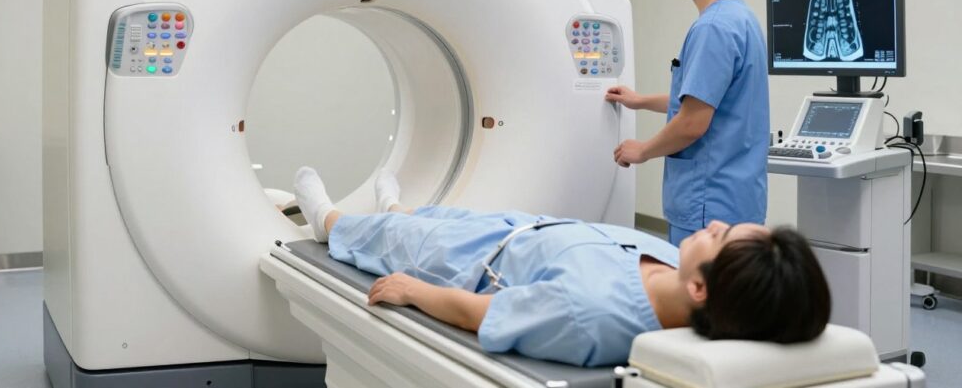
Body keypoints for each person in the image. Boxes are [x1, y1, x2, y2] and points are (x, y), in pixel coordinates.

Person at [291, 167, 830, 368]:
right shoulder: (674, 264)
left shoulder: (589, 315)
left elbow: (482, 313)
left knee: (398, 240)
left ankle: (327, 218)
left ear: (700, 288)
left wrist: (414, 292)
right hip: (520, 232)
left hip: (474, 264)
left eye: (720, 238)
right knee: (427, 217)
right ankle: (397, 208)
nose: (714, 227)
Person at [606, 0, 770, 246]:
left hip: (706, 205)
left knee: (697, 296)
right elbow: (709, 101)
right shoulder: (742, 18)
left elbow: (693, 122)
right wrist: (639, 101)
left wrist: (643, 151)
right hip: (739, 199)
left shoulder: (711, 28)